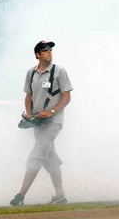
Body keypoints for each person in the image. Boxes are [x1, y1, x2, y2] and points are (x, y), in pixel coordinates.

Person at [9, 40, 73, 206]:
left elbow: (66, 96)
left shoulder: (59, 71)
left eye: (50, 49)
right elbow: (28, 96)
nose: (49, 52)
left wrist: (52, 111)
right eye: (45, 50)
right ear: (37, 54)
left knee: (37, 155)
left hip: (53, 121)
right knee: (49, 158)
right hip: (38, 122)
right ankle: (60, 196)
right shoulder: (31, 73)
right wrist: (29, 115)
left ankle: (20, 196)